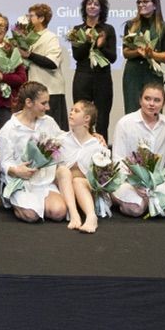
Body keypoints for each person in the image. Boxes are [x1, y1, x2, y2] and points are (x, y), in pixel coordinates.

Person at [0, 81, 67, 223]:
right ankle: (15, 200)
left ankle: (38, 203)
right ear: (29, 102)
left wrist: (91, 135)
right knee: (31, 215)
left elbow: (63, 139)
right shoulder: (9, 129)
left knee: (59, 212)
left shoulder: (48, 121)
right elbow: (4, 162)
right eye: (43, 103)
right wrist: (17, 171)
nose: (48, 107)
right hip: (20, 181)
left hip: (43, 181)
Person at [110, 83, 165, 218]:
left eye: (157, 100)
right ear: (140, 100)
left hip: (156, 181)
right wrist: (134, 182)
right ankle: (113, 195)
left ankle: (147, 201)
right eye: (147, 99)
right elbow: (118, 158)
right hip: (128, 180)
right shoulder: (125, 123)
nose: (151, 104)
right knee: (135, 209)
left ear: (163, 104)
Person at [69, 0, 117, 142]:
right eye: (89, 3)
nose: (92, 6)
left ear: (101, 8)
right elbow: (77, 56)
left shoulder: (108, 29)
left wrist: (100, 46)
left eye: (96, 4)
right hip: (82, 76)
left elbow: (113, 58)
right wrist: (89, 42)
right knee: (80, 115)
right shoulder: (77, 30)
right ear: (84, 7)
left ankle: (101, 151)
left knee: (102, 118)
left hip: (102, 77)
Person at [56, 100, 109, 233]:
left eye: (76, 111)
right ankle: (74, 214)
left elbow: (103, 177)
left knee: (78, 181)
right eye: (71, 110)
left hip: (86, 189)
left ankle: (91, 217)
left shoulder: (97, 145)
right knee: (62, 170)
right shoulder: (61, 139)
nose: (71, 113)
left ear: (87, 118)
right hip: (63, 188)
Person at [17, 3, 68, 130]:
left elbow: (52, 63)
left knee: (53, 130)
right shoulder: (28, 38)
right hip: (35, 91)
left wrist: (29, 55)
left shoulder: (50, 37)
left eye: (31, 16)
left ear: (41, 18)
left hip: (51, 91)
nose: (28, 19)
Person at [120, 0, 165, 114]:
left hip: (153, 73)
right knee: (132, 110)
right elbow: (125, 53)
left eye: (145, 2)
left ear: (155, 5)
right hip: (133, 73)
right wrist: (137, 51)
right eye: (139, 2)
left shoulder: (164, 27)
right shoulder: (131, 25)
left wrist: (151, 54)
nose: (141, 4)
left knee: (153, 110)